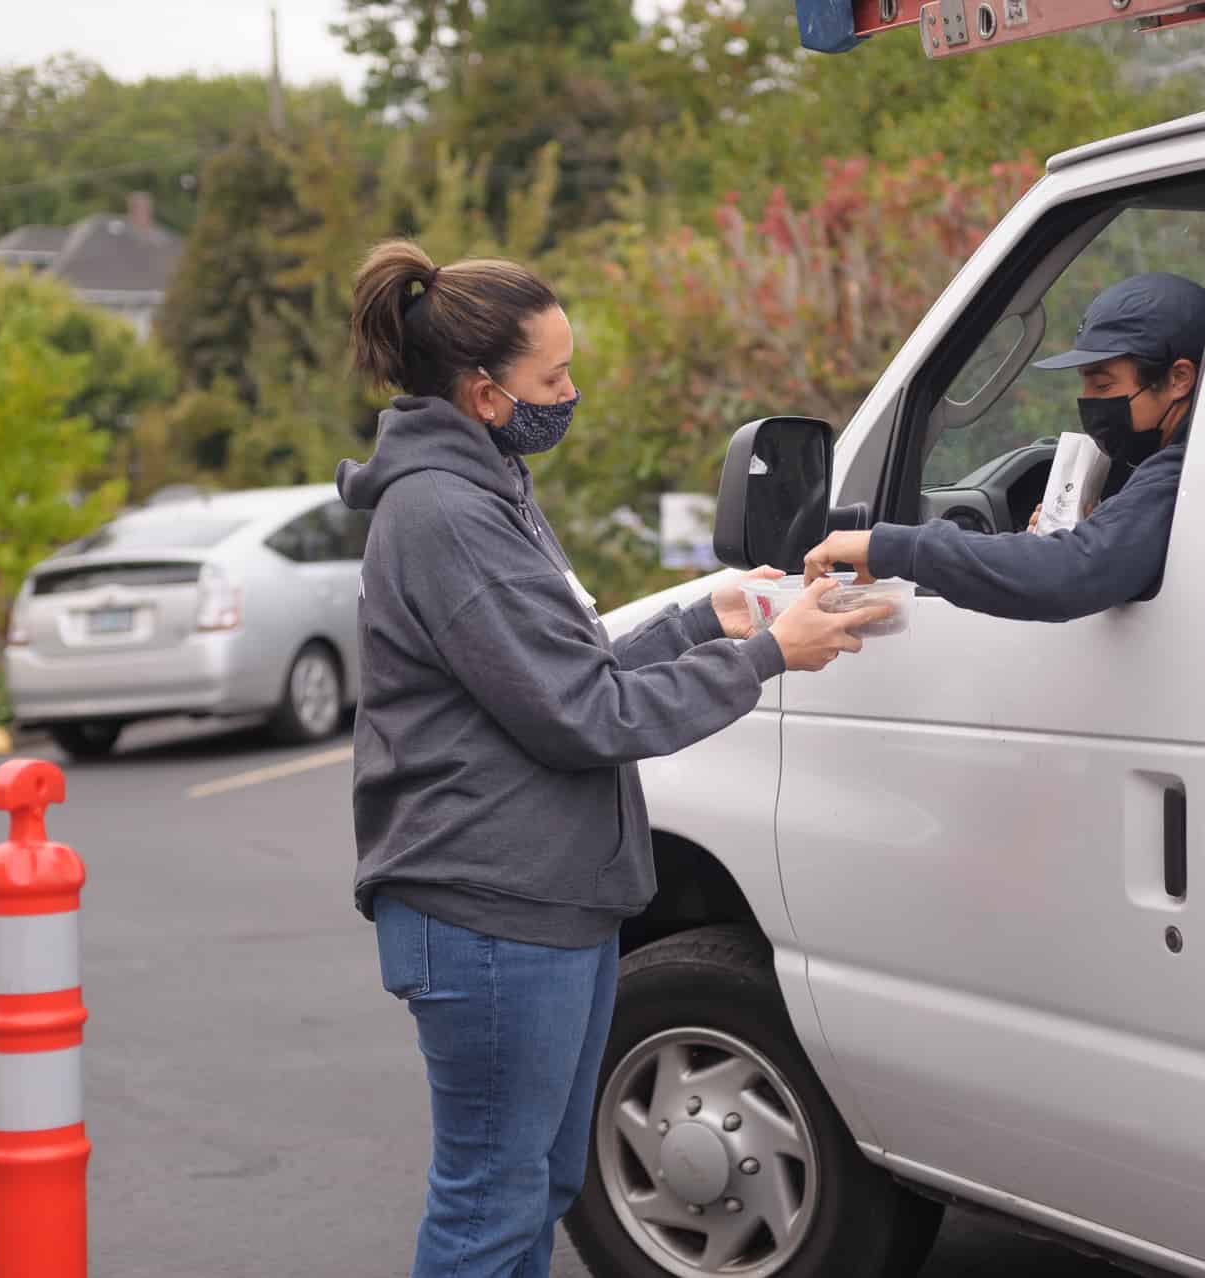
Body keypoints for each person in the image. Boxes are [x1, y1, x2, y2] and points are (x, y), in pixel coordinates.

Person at [338, 240, 887, 1278]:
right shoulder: (448, 515)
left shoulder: (486, 486)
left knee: (535, 1185)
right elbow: (582, 715)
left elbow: (553, 673)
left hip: (539, 901)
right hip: (488, 910)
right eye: (554, 378)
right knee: (491, 1205)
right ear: (485, 391)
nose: (571, 393)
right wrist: (770, 652)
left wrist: (705, 618)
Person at [803, 272, 1205, 620]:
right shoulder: (1173, 462)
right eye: (1085, 383)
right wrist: (1097, 525)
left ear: (1179, 378)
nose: (1089, 400)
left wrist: (890, 546)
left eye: (1103, 384)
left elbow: (1072, 573)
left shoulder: (1189, 470)